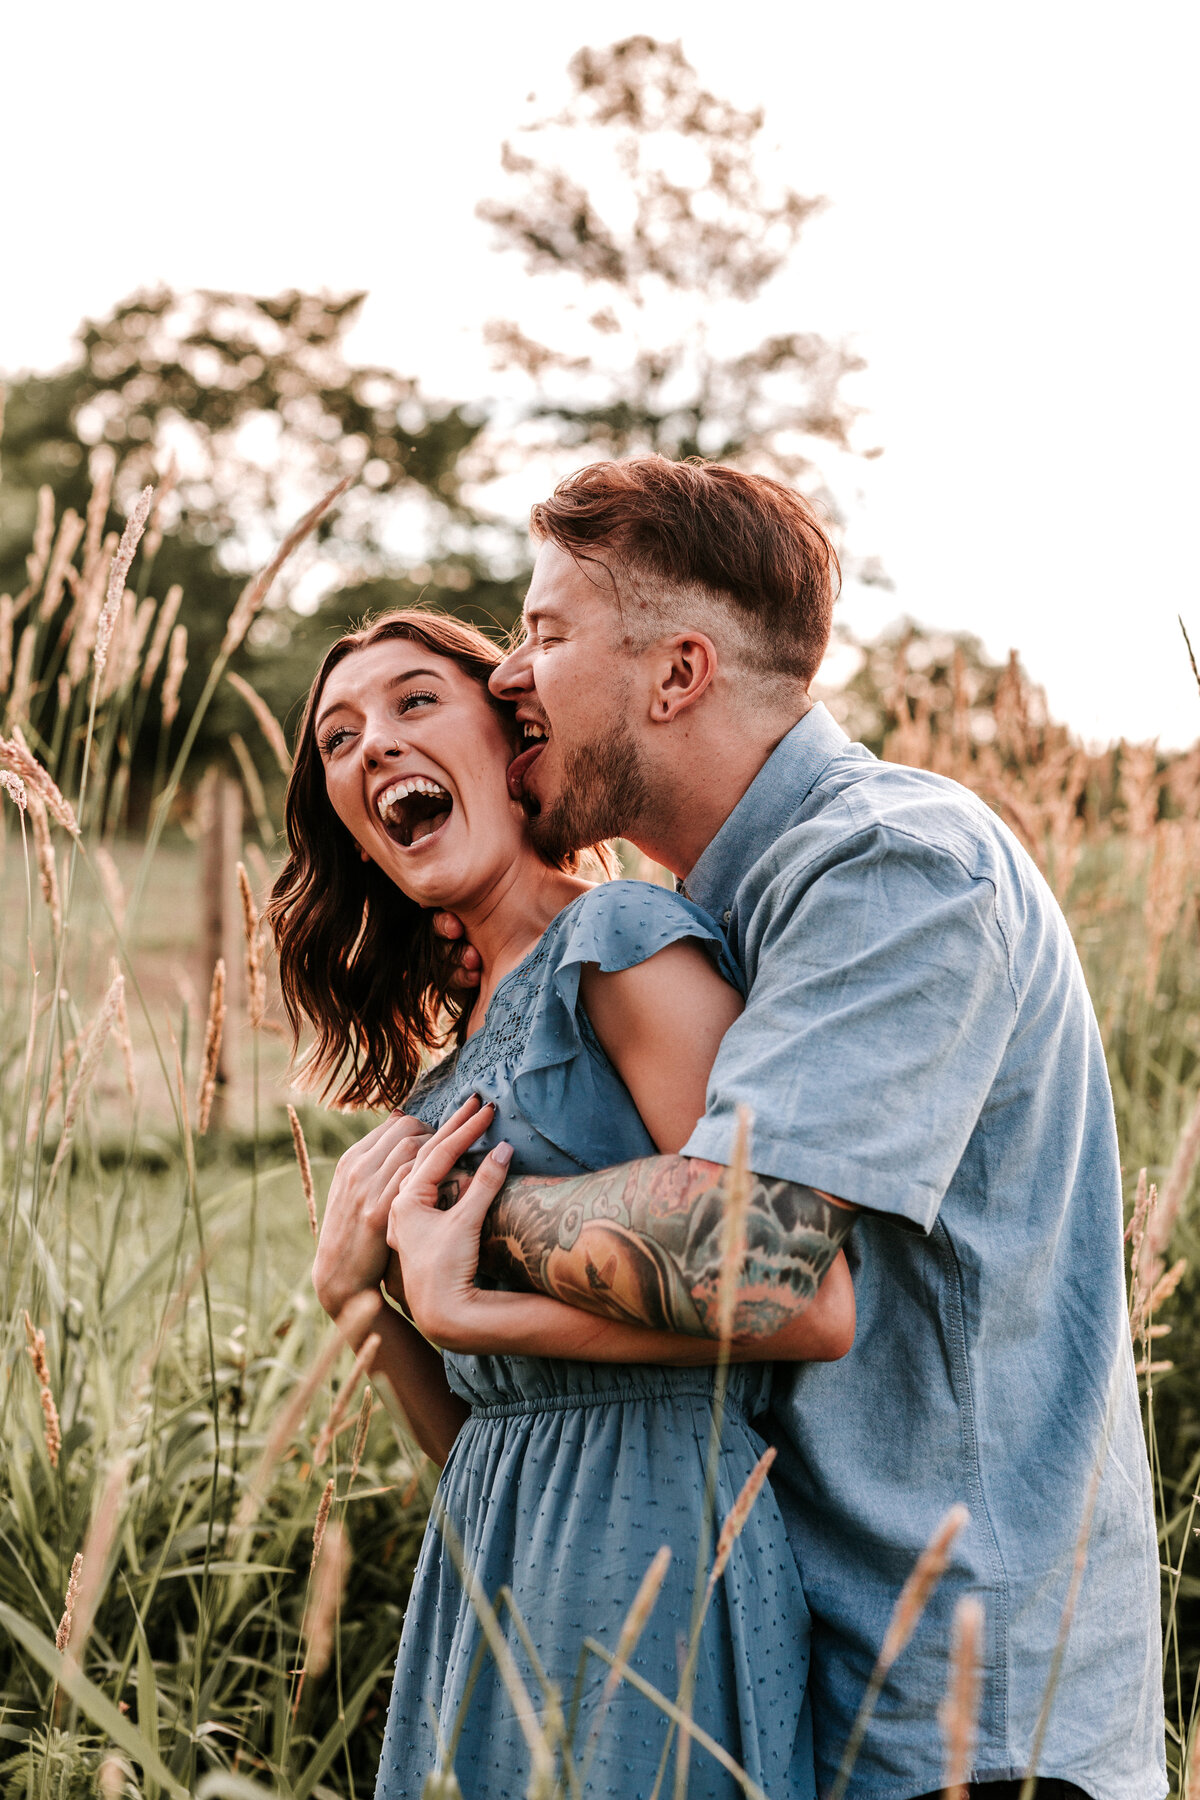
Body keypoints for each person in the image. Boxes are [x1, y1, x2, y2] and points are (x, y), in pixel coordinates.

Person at [411, 458, 1166, 1800]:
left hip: (969, 1735)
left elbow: (747, 1253)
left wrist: (461, 1207)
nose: (509, 678)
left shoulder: (895, 862)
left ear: (678, 672)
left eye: (544, 631)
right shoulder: (712, 927)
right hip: (818, 1699)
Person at [267, 609, 855, 1800]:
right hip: (489, 1557)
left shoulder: (620, 940)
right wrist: (355, 1303)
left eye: (415, 702)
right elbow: (476, 1435)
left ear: (513, 737)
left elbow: (798, 1301)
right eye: (338, 738)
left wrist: (474, 1312)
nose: (373, 745)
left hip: (660, 1539)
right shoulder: (436, 1085)